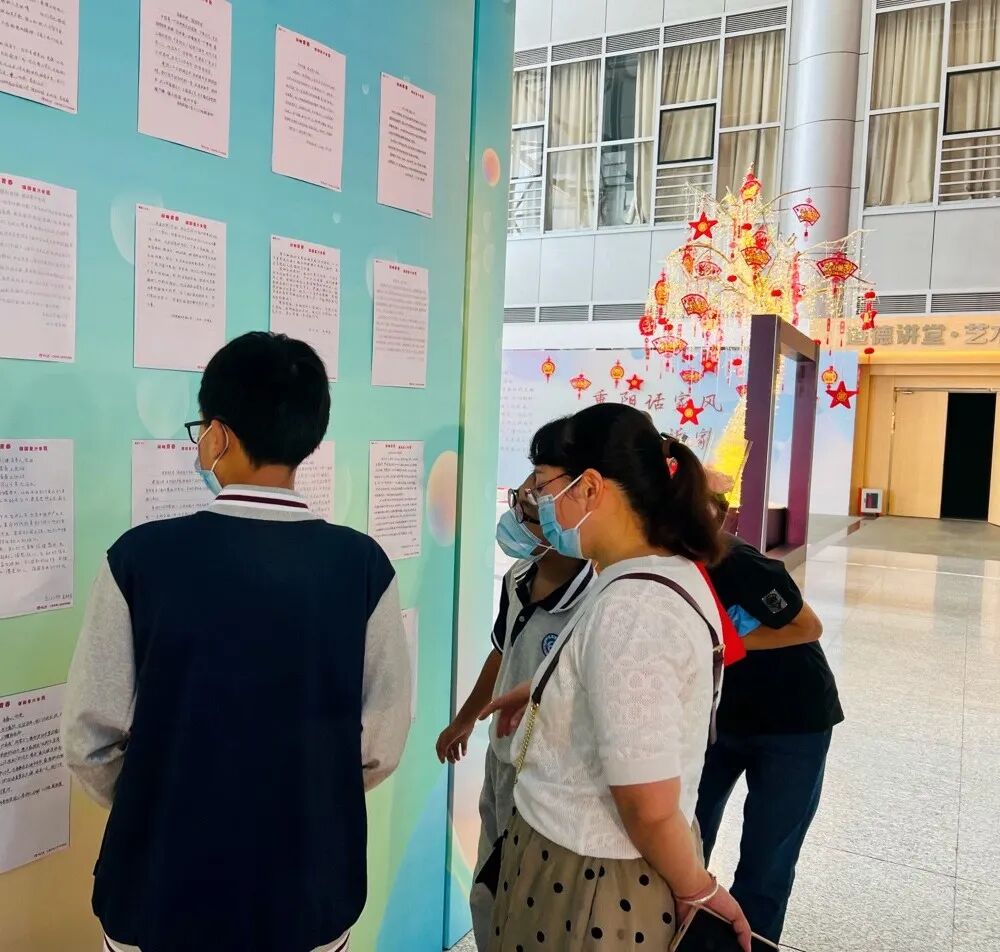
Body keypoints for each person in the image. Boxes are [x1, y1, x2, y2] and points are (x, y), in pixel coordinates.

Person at [62, 332, 411, 952]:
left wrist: (163, 797)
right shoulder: (363, 567)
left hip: (160, 887)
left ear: (218, 435)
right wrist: (304, 791)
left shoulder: (138, 560)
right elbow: (379, 748)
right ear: (310, 435)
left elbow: (89, 740)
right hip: (308, 889)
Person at [481, 404, 752, 952]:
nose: (539, 506)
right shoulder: (647, 574)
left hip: (590, 883)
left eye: (543, 487)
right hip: (583, 864)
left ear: (589, 487)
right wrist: (547, 692)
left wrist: (698, 889)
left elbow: (646, 803)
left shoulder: (635, 609)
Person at [436, 456, 595, 950]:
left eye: (532, 512)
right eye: (519, 503)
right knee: (489, 885)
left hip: (553, 774)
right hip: (503, 759)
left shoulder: (597, 597)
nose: (518, 521)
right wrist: (464, 720)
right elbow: (503, 649)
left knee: (536, 902)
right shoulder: (518, 577)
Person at [696, 496, 843, 948]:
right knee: (687, 835)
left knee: (767, 861)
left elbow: (808, 626)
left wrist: (719, 643)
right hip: (720, 718)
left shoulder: (737, 560)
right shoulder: (655, 563)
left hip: (793, 723)